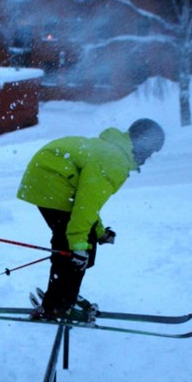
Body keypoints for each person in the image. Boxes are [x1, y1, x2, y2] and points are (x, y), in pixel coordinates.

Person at [16, 118, 165, 320]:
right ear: (142, 144)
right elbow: (85, 206)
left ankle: (65, 296)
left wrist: (99, 233)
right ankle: (55, 306)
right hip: (52, 181)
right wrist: (79, 244)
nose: (148, 158)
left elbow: (87, 204)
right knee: (75, 251)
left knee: (79, 248)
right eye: (150, 151)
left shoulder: (113, 152)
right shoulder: (115, 160)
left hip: (48, 180)